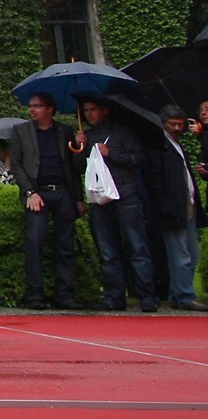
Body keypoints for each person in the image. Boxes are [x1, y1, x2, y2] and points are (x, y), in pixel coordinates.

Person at [74, 97, 156, 312]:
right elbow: (78, 167)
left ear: (104, 111)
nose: (89, 114)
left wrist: (112, 153)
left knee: (137, 247)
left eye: (93, 110)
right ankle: (113, 296)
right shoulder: (87, 136)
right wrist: (80, 146)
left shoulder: (122, 133)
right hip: (99, 199)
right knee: (108, 251)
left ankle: (146, 295)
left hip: (125, 194)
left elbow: (140, 158)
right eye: (86, 110)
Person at [8, 94, 84, 310]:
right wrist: (30, 191)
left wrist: (80, 148)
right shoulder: (21, 131)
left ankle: (65, 294)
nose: (32, 110)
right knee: (34, 241)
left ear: (50, 109)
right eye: (30, 106)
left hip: (62, 192)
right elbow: (17, 165)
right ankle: (35, 294)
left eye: (37, 106)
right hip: (37, 193)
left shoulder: (65, 131)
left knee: (66, 245)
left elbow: (75, 168)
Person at [152, 105, 207, 310]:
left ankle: (179, 293)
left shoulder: (177, 144)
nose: (177, 128)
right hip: (174, 207)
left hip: (188, 204)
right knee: (180, 254)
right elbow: (155, 180)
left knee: (192, 253)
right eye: (172, 124)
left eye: (180, 124)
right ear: (163, 124)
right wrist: (164, 205)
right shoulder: (159, 146)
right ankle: (184, 295)